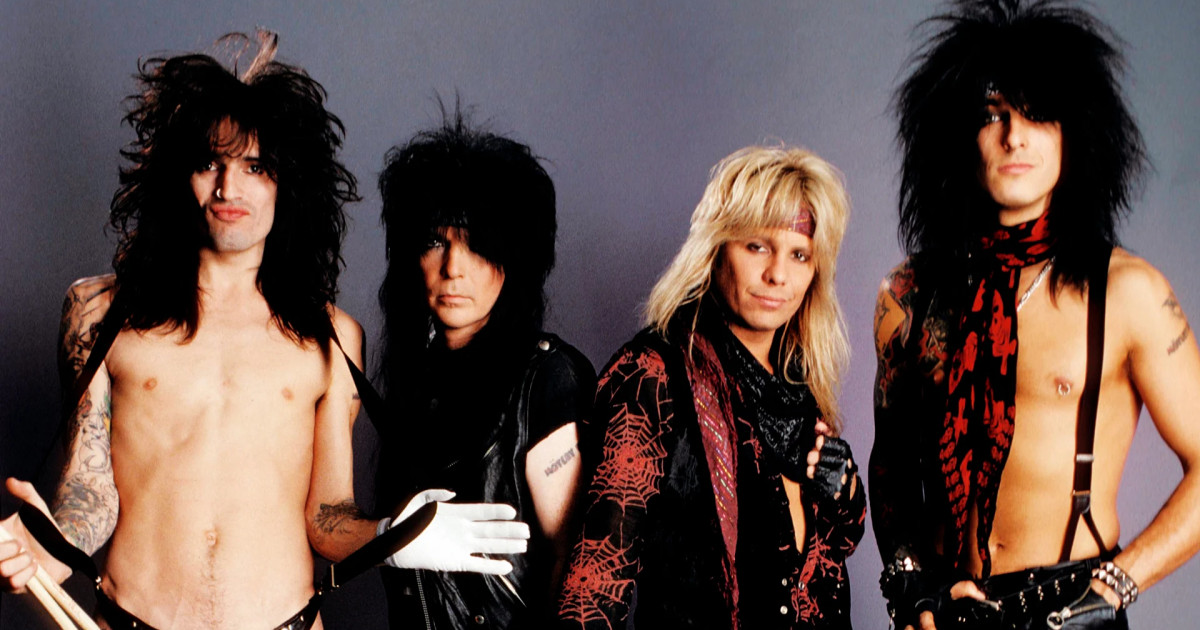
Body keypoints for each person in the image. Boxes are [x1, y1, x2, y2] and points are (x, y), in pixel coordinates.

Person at [0, 33, 527, 630]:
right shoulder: (100, 313)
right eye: (209, 164)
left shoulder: (331, 337)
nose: (229, 189)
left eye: (255, 167)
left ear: (288, 183)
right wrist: (41, 545)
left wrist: (395, 534)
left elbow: (326, 518)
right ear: (179, 176)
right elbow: (89, 489)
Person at [870, 2, 1200, 629]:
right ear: (956, 137)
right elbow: (890, 466)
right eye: (991, 115)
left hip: (1071, 606)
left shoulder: (1125, 290)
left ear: (1074, 134)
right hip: (945, 610)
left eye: (1037, 113)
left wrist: (1112, 590)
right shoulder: (910, 293)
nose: (1013, 137)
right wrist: (910, 585)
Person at [557, 146, 865, 629]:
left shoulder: (797, 384)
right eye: (757, 246)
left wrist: (844, 493)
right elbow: (595, 587)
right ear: (716, 247)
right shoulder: (653, 376)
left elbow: (821, 556)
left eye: (799, 254)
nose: (777, 275)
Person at [373, 110, 595, 629]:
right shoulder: (415, 377)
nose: (453, 268)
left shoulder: (547, 378)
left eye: (476, 243)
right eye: (435, 241)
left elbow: (576, 565)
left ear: (513, 257)